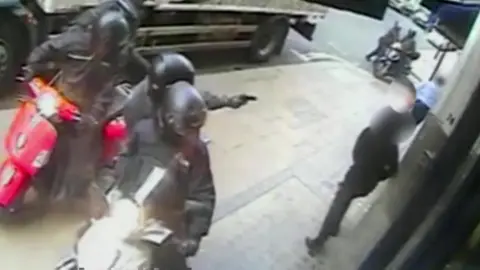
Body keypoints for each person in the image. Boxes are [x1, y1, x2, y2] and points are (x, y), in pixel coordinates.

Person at [24, 11, 136, 199]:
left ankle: (71, 191)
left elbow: (106, 91)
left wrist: (92, 117)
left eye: (111, 46)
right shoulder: (74, 42)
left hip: (86, 109)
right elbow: (46, 49)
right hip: (60, 98)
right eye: (104, 42)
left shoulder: (116, 59)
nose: (105, 48)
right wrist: (30, 67)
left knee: (80, 146)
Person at [114, 79, 216, 268]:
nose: (192, 137)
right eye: (186, 130)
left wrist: (193, 236)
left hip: (168, 227)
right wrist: (121, 184)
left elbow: (204, 195)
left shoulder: (197, 151)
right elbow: (125, 158)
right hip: (132, 214)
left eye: (195, 130)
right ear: (169, 120)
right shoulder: (143, 132)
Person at [305, 101, 415, 256]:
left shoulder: (369, 133)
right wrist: (378, 175)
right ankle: (334, 228)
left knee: (337, 206)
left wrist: (361, 164)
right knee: (345, 200)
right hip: (368, 184)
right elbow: (392, 171)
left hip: (355, 176)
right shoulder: (392, 147)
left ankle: (319, 241)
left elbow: (355, 152)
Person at [123, 52, 257, 130]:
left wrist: (229, 101)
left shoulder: (178, 96)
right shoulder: (137, 106)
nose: (180, 95)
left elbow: (199, 98)